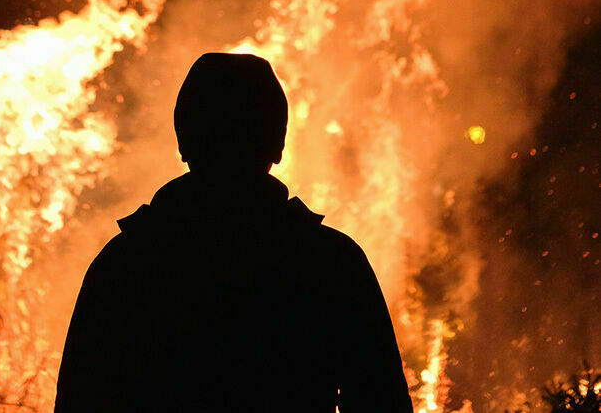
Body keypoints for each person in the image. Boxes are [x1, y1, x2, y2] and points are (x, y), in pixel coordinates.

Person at [55, 53, 413, 412]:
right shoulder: (332, 262)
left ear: (184, 141)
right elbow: (381, 401)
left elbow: (79, 400)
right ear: (277, 144)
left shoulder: (126, 263)